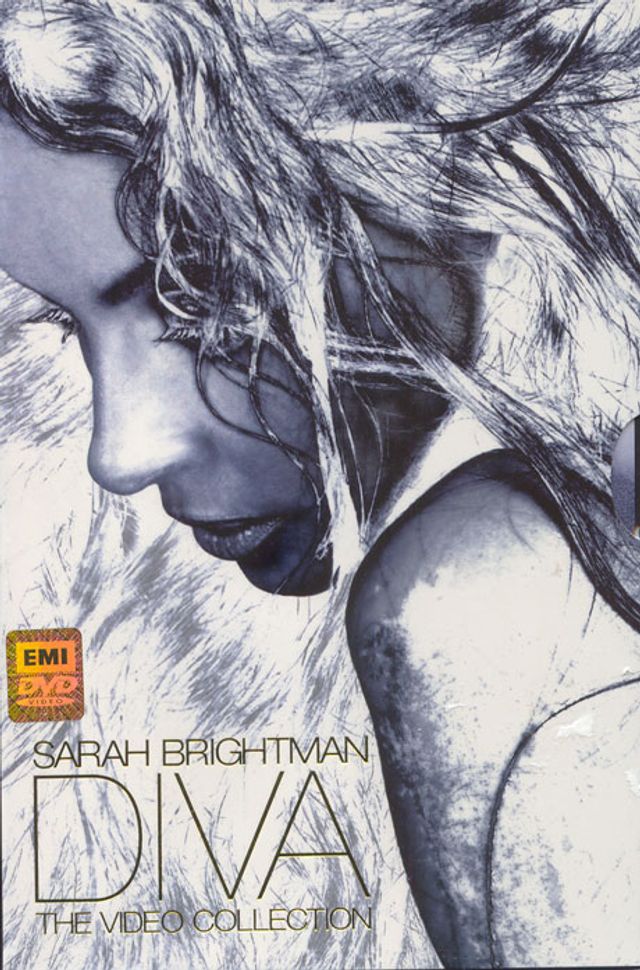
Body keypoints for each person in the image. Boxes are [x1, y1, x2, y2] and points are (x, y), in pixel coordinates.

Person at [0, 1, 639, 966]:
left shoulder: (474, 587)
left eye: (196, 293)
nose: (119, 454)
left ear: (427, 159)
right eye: (67, 323)